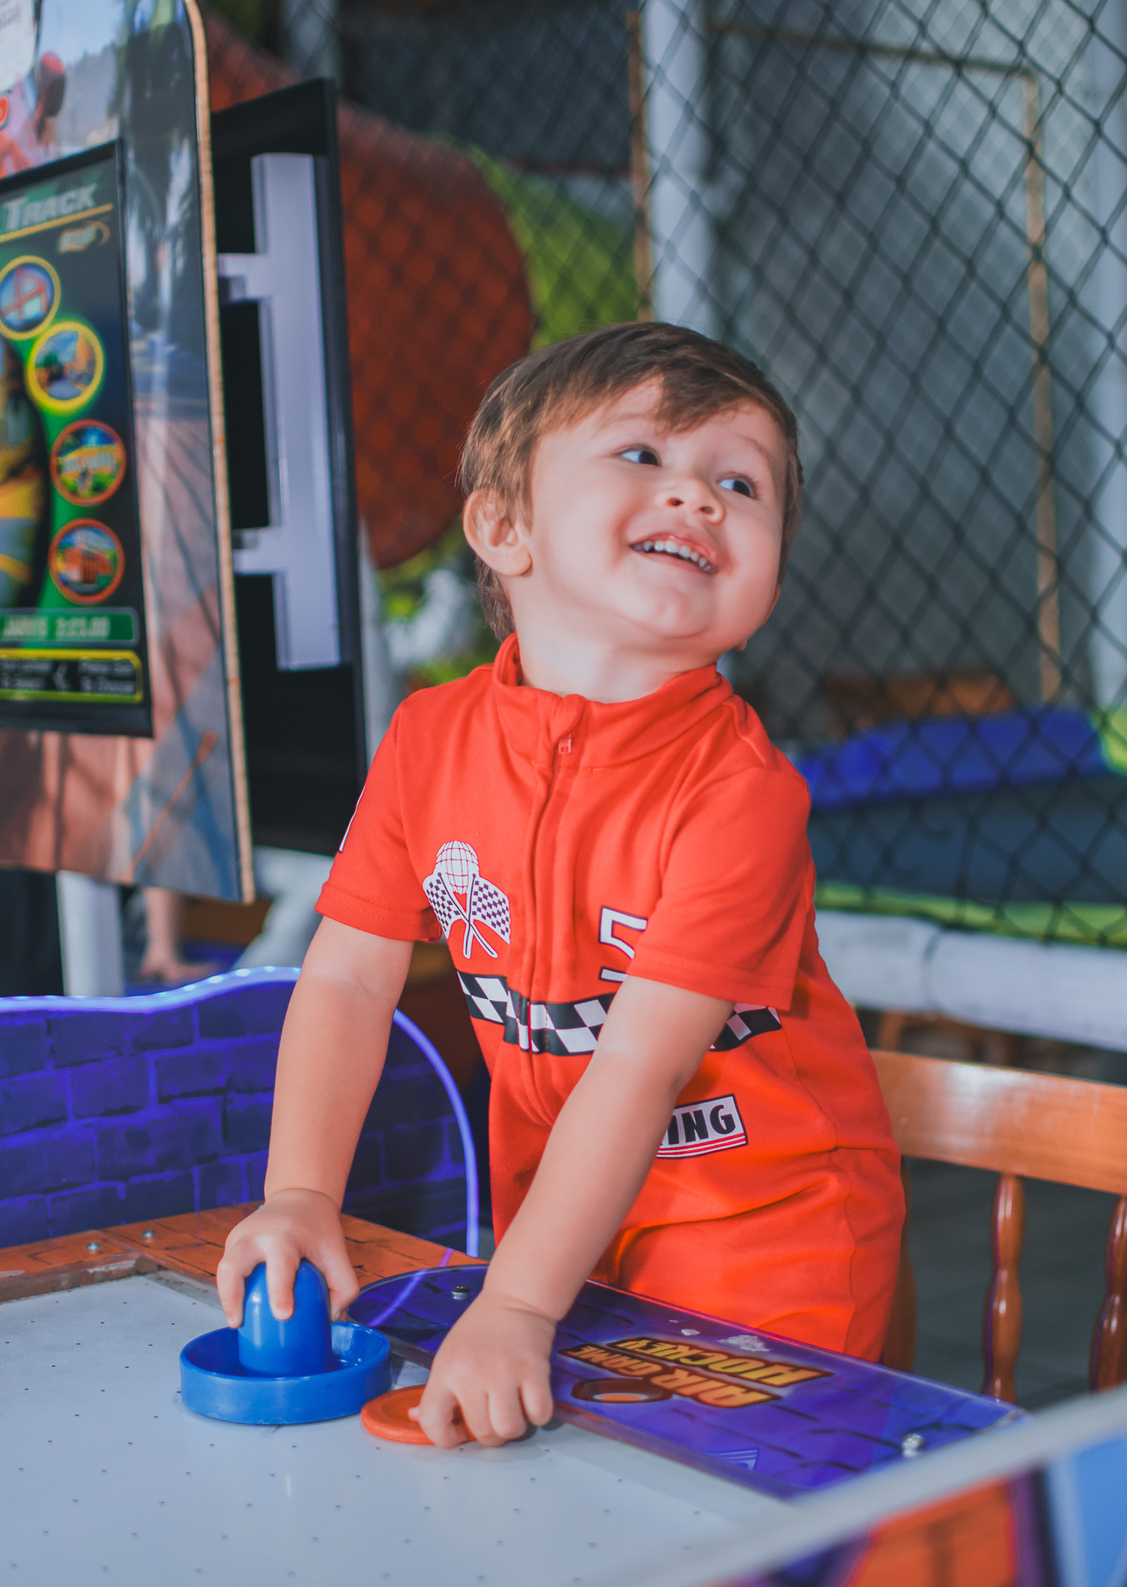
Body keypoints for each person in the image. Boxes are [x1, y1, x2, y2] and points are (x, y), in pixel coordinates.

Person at [216, 323, 904, 1447]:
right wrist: (299, 1192)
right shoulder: (430, 737)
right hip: (558, 1203)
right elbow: (344, 981)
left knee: (709, 1507)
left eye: (741, 482)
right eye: (643, 457)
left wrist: (518, 1302)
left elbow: (639, 1064)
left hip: (765, 1214)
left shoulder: (745, 793)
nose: (697, 497)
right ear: (503, 526)